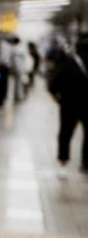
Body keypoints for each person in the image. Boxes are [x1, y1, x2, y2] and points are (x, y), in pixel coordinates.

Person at [47, 33, 88, 172]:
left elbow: (52, 86)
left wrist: (60, 100)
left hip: (69, 104)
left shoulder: (69, 63)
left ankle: (63, 161)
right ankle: (86, 163)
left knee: (65, 132)